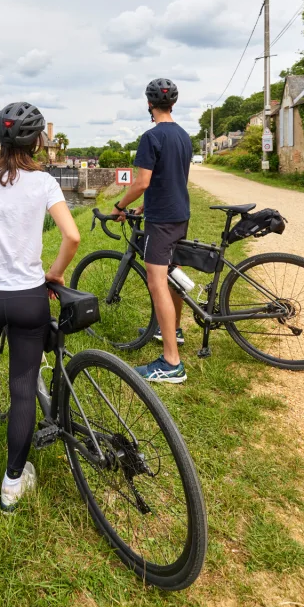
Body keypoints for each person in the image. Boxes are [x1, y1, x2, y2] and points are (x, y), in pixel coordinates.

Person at [0, 101, 81, 512]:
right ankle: (12, 482)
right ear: (38, 141)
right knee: (22, 389)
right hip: (29, 298)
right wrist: (56, 273)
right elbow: (72, 236)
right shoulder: (45, 182)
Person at [109, 78, 192, 384]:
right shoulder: (184, 135)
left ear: (149, 104)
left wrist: (119, 206)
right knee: (173, 275)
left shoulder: (151, 136)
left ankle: (171, 363)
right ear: (173, 103)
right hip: (180, 213)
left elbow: (142, 181)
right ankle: (174, 331)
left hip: (162, 221)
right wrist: (147, 204)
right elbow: (172, 178)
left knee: (157, 282)